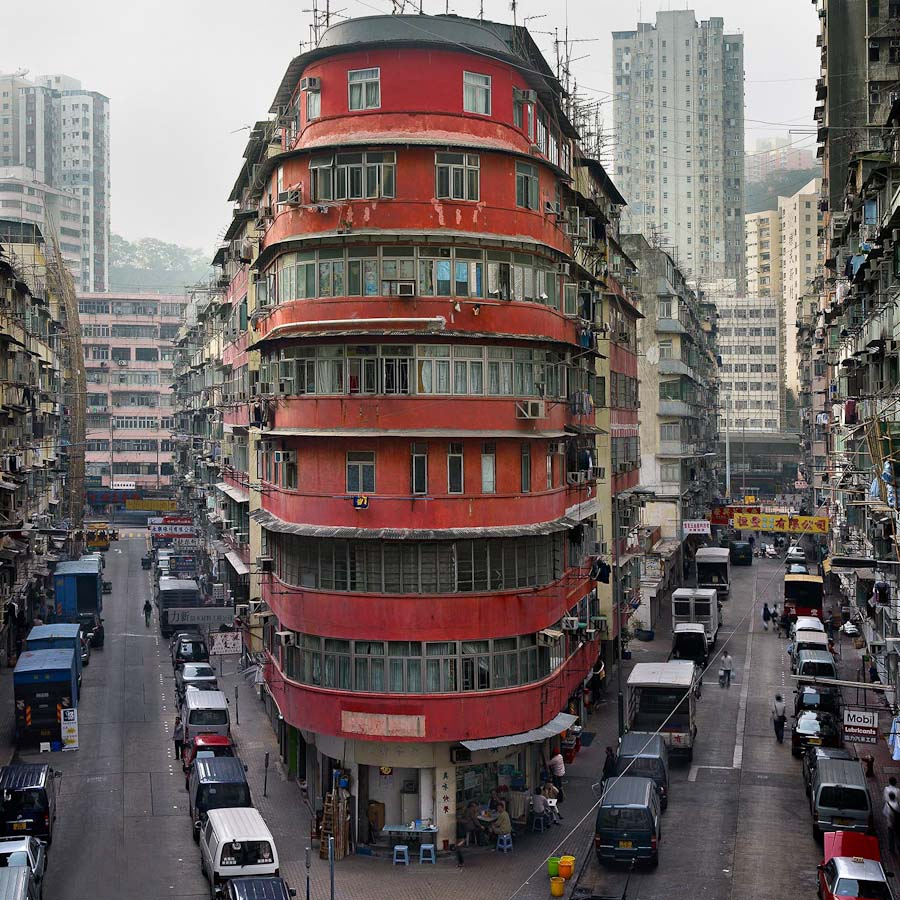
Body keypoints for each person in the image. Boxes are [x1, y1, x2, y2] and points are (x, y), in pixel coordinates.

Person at [885, 788, 900, 853]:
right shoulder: (898, 804)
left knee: (891, 836)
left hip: (890, 823)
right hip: (897, 823)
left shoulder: (887, 804)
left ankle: (892, 849)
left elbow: (885, 813)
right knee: (898, 836)